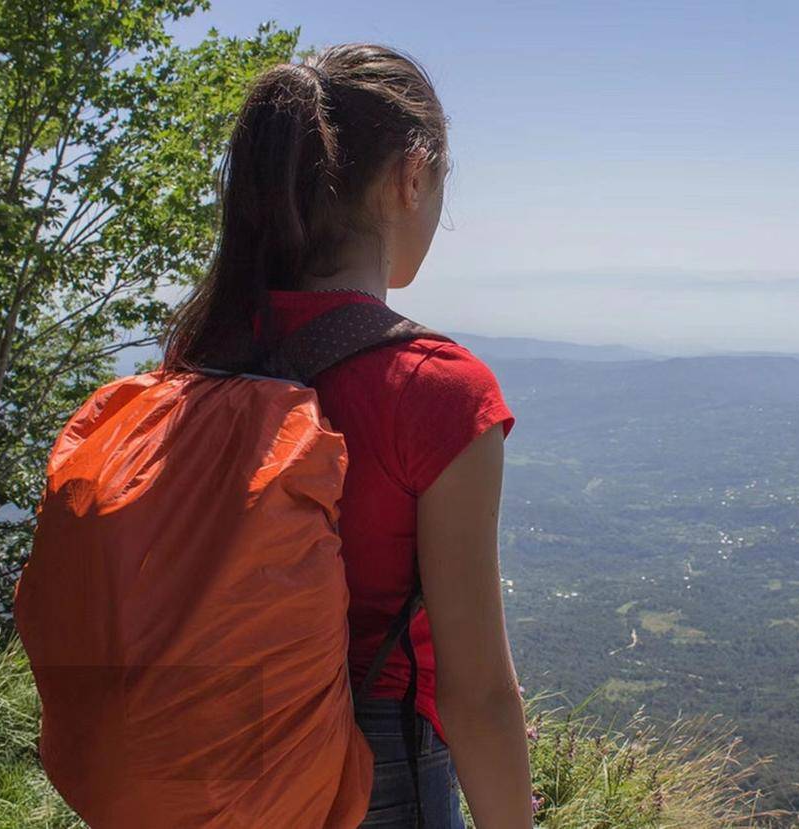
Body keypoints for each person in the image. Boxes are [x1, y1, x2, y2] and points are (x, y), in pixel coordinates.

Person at [161, 43, 533, 828]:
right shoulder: (437, 389)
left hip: (209, 764)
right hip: (374, 774)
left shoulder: (199, 361)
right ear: (412, 176)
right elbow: (478, 696)